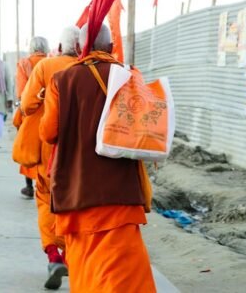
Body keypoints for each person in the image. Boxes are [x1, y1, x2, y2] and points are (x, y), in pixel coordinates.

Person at [40, 24, 156, 293]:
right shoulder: (129, 77)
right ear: (112, 48)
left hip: (77, 191)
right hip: (120, 191)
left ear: (80, 49)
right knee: (124, 271)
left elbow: (48, 133)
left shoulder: (62, 80)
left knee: (87, 267)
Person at [17, 26, 80, 290]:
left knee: (45, 199)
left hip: (48, 146)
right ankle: (69, 256)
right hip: (79, 148)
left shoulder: (44, 67)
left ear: (60, 46)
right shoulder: (87, 69)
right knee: (73, 203)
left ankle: (54, 255)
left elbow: (27, 104)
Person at [15, 37, 49, 199]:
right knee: (45, 151)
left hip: (30, 112)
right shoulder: (52, 63)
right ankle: (43, 185)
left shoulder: (25, 63)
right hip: (50, 110)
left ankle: (29, 187)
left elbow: (21, 91)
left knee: (29, 149)